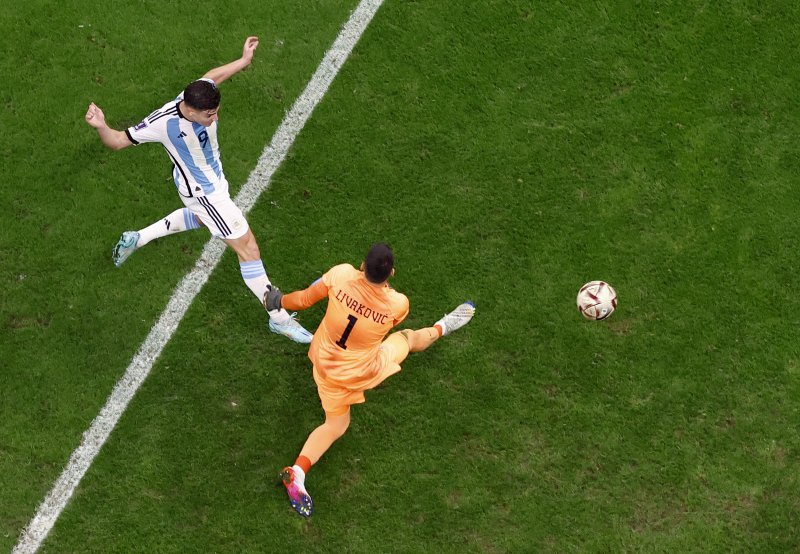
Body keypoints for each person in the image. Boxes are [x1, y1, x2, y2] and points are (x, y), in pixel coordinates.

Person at [84, 36, 312, 343]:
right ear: (190, 111)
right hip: (206, 194)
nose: (215, 118)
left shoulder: (196, 93)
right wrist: (101, 124)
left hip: (201, 183)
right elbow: (117, 142)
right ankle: (279, 318)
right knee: (248, 248)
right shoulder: (161, 123)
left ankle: (139, 239)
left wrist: (243, 61)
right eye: (209, 115)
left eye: (216, 112)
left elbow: (212, 76)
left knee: (203, 219)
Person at [263, 243, 476, 517]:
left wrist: (277, 301)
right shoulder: (398, 304)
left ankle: (298, 472)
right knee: (406, 339)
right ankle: (443, 326)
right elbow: (386, 317)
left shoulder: (340, 274)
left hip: (324, 362)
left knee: (336, 423)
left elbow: (303, 300)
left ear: (362, 264)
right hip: (358, 371)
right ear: (392, 273)